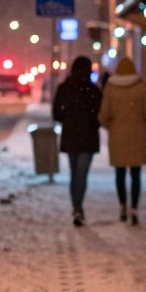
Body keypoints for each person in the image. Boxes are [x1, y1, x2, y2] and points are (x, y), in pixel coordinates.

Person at [98, 57, 146, 225]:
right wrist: (141, 120)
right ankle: (134, 208)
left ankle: (122, 205)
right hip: (137, 135)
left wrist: (112, 127)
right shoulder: (141, 87)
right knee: (136, 174)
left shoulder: (111, 88)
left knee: (120, 173)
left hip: (118, 136)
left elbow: (103, 116)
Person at [53, 56, 103, 227]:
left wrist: (68, 120)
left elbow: (56, 113)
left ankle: (76, 207)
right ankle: (78, 208)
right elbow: (100, 115)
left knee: (74, 173)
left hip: (71, 136)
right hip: (88, 137)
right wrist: (91, 122)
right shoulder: (94, 91)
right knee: (82, 174)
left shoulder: (64, 89)